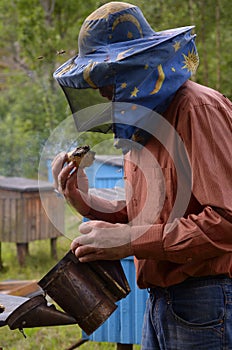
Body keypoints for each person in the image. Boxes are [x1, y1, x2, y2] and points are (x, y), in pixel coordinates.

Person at [52, 2, 232, 349]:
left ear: (140, 67)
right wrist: (83, 197)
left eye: (109, 77)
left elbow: (226, 220)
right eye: (97, 79)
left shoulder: (197, 109)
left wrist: (131, 240)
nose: (103, 91)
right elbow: (148, 213)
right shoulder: (144, 120)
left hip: (208, 298)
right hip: (162, 299)